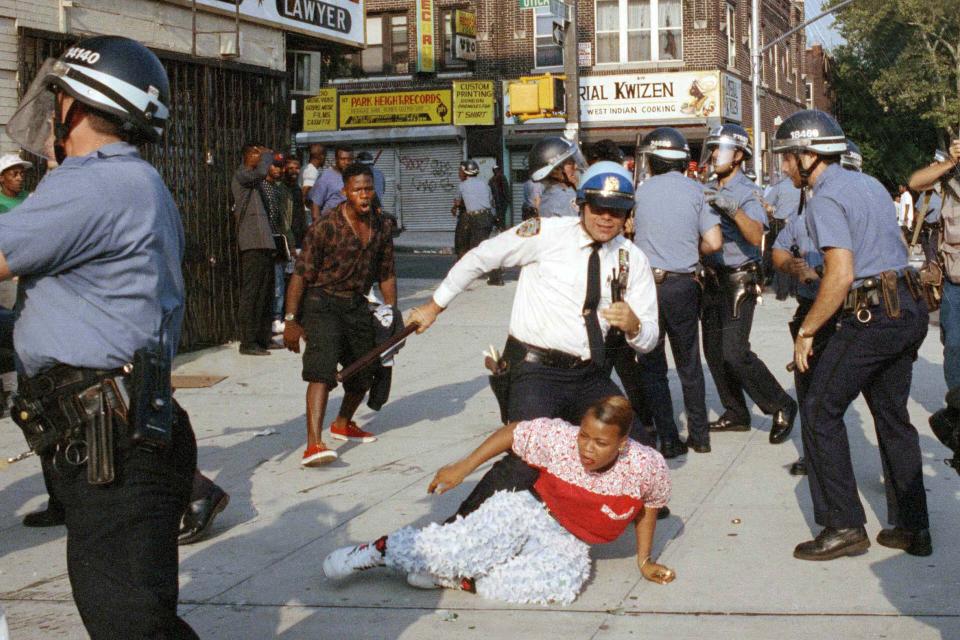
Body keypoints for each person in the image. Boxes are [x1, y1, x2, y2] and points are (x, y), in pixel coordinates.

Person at [0, 35, 198, 637]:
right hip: (116, 429)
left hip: (110, 438)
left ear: (77, 106)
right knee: (131, 613)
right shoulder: (132, 181)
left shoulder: (95, 184)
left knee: (129, 624)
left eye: (58, 95)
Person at [406, 161, 660, 520]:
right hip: (534, 370)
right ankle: (452, 532)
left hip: (587, 374)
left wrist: (634, 325)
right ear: (581, 205)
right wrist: (434, 305)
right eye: (598, 209)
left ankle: (590, 514)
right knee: (527, 458)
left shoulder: (631, 259)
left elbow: (649, 339)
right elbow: (479, 258)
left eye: (617, 212)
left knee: (640, 450)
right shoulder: (546, 233)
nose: (606, 219)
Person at [322, 396, 674, 605]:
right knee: (456, 548)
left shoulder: (646, 466)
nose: (586, 448)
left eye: (600, 443)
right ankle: (377, 551)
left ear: (623, 444)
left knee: (560, 585)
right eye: (584, 436)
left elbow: (650, 505)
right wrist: (463, 467)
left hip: (567, 540)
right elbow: (513, 432)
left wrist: (644, 560)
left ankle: (456, 579)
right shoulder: (560, 439)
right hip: (530, 510)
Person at [773, 110, 931, 561]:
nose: (784, 167)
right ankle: (913, 527)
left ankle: (843, 526)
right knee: (892, 417)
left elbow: (840, 275)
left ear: (808, 156)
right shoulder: (870, 184)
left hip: (870, 317)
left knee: (820, 409)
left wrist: (807, 330)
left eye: (788, 157)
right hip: (906, 308)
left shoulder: (824, 197)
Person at [283, 163, 398, 466]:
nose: (364, 195)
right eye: (358, 190)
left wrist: (390, 312)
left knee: (364, 370)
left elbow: (386, 272)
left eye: (368, 189)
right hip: (321, 302)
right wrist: (291, 321)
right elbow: (300, 276)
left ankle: (343, 423)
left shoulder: (382, 225)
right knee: (321, 370)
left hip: (356, 304)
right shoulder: (325, 227)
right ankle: (314, 444)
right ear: (345, 192)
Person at [699, 124, 797, 443]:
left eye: (721, 149)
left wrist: (732, 209)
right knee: (713, 351)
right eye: (712, 148)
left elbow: (757, 234)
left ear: (739, 155)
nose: (714, 155)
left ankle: (781, 404)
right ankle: (736, 412)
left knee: (734, 352)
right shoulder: (708, 187)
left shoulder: (746, 191)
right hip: (711, 277)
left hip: (739, 278)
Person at [633, 127, 722, 456]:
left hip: (646, 286)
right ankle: (699, 435)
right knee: (689, 363)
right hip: (684, 284)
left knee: (653, 365)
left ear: (653, 161)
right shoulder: (697, 192)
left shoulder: (639, 192)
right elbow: (713, 242)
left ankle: (668, 438)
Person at [781, 138, 863, 477]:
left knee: (825, 403)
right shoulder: (806, 212)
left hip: (848, 314)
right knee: (811, 395)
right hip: (812, 306)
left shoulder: (854, 207)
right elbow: (779, 248)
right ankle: (815, 455)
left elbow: (847, 270)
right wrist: (794, 267)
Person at [909, 139, 960, 390]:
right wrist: (950, 161)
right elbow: (915, 182)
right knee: (954, 345)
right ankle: (956, 406)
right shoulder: (950, 178)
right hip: (954, 282)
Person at [232, 143, 279, 356]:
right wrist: (267, 156)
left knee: (266, 293)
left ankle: (263, 337)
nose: (260, 157)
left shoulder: (257, 182)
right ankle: (248, 342)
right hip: (251, 242)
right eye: (256, 153)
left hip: (264, 241)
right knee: (252, 293)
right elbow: (261, 172)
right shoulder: (243, 175)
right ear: (247, 155)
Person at [763, 174, 803, 300]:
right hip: (799, 223)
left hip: (781, 224)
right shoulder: (804, 186)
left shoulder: (780, 186)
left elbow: (766, 204)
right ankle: (796, 290)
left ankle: (782, 292)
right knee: (798, 255)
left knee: (781, 255)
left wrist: (773, 210)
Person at [529, 136, 581, 218]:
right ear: (555, 170)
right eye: (570, 163)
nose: (576, 166)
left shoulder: (567, 190)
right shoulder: (559, 200)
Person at [308, 145, 353, 222]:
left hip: (349, 225)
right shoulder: (326, 176)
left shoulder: (355, 176)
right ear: (336, 159)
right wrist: (317, 227)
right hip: (331, 224)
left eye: (349, 159)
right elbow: (315, 204)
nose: (346, 162)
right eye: (343, 159)